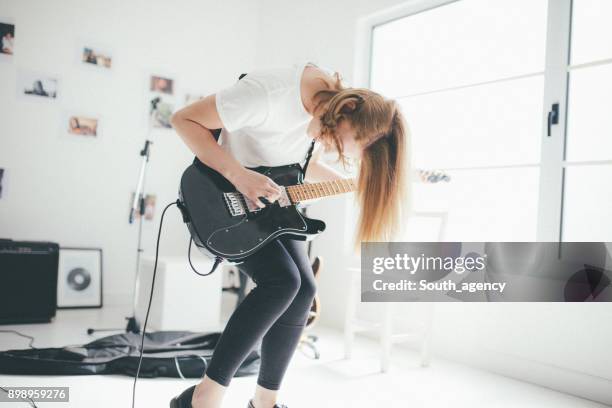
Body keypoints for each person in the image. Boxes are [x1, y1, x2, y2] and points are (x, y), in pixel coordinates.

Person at [170, 61, 409, 408]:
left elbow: (299, 163)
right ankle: (202, 398)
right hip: (221, 195)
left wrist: (355, 184)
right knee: (282, 281)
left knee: (304, 289)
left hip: (271, 200)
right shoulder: (267, 94)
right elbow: (183, 120)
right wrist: (240, 176)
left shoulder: (332, 106)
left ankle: (265, 402)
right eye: (336, 141)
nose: (328, 146)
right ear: (347, 109)